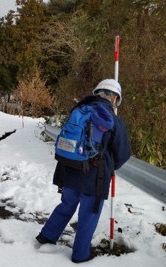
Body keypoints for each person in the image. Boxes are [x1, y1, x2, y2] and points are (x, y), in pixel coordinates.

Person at [36, 79, 131, 263]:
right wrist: (111, 166)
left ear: (97, 93)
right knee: (88, 215)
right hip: (95, 178)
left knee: (66, 205)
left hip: (70, 171)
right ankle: (80, 256)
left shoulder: (79, 110)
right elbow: (123, 153)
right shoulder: (112, 120)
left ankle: (47, 236)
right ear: (114, 99)